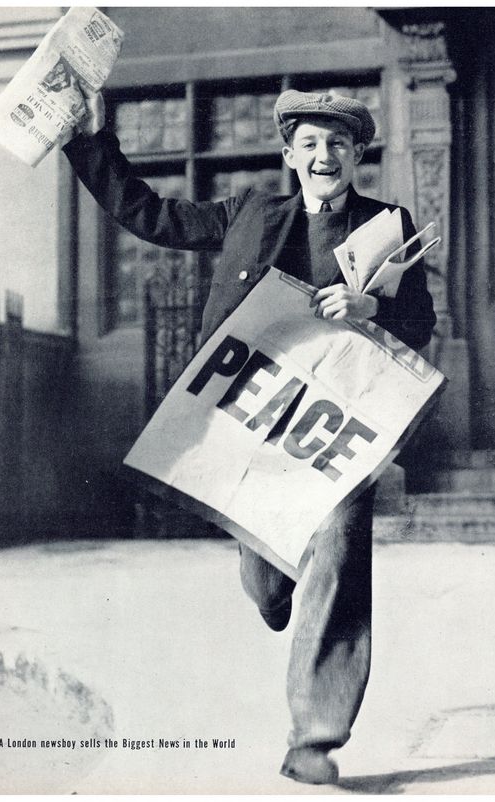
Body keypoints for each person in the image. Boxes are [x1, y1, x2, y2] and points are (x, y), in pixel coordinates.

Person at [63, 87, 436, 785]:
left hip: (337, 422)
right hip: (251, 419)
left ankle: (315, 740)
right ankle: (274, 592)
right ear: (290, 155)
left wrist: (371, 306)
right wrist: (90, 141)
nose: (324, 156)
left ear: (358, 153)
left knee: (341, 544)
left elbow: (420, 326)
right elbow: (151, 215)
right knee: (266, 581)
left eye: (338, 143)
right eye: (310, 143)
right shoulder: (251, 212)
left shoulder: (388, 225)